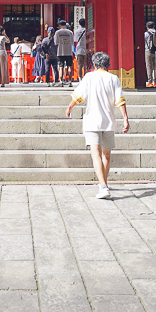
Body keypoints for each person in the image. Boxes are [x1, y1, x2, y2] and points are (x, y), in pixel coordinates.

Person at [65, 51, 129, 200]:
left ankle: (103, 186)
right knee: (106, 154)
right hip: (109, 121)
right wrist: (125, 118)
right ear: (108, 65)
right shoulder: (114, 78)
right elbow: (120, 100)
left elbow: (78, 96)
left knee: (96, 153)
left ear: (94, 64)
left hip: (92, 120)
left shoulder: (89, 77)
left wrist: (69, 107)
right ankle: (103, 183)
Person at [54, 19, 74, 86]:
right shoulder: (70, 32)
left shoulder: (57, 32)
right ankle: (70, 81)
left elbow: (55, 42)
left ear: (60, 25)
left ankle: (61, 81)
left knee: (61, 66)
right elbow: (72, 42)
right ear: (66, 25)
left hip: (60, 51)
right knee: (69, 66)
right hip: (68, 51)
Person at [143, 22, 156, 87]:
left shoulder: (146, 34)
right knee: (155, 67)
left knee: (149, 66)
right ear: (153, 26)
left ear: (147, 27)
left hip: (148, 50)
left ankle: (149, 82)